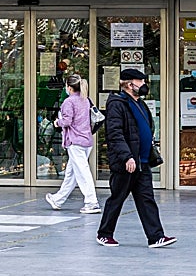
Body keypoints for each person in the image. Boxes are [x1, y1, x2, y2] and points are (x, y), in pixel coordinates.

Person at [96, 68, 177, 248]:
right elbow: (115, 134)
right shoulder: (117, 104)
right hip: (127, 163)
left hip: (142, 162)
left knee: (146, 198)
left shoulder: (140, 103)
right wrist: (127, 157)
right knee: (117, 198)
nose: (143, 85)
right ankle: (104, 234)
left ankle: (156, 236)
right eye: (140, 82)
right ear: (129, 84)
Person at [45, 74, 101, 214]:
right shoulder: (86, 100)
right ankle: (58, 199)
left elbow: (67, 121)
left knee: (82, 172)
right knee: (71, 173)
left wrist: (57, 122)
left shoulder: (69, 102)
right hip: (86, 140)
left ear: (69, 88)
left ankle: (91, 202)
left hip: (75, 141)